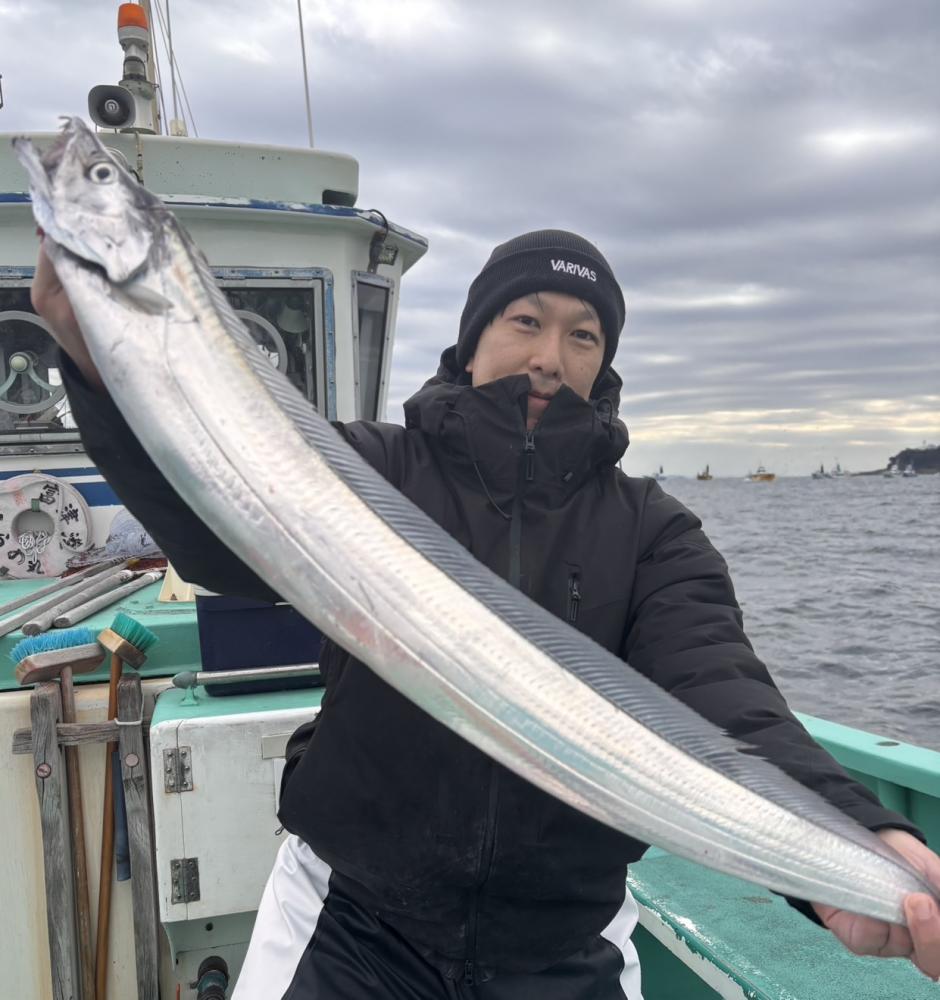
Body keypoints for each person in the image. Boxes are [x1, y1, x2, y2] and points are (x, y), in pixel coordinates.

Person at [33, 230, 940, 997]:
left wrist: (866, 847)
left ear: (604, 362)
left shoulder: (653, 532)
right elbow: (211, 534)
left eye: (583, 335)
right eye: (526, 321)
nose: (551, 357)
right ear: (472, 342)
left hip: (562, 947)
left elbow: (724, 694)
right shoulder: (370, 473)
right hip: (351, 921)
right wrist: (96, 365)